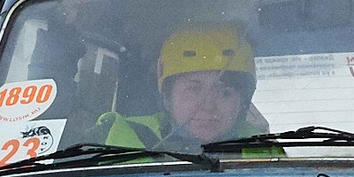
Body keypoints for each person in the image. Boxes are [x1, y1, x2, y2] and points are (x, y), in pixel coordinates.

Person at [100, 22, 277, 154]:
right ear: (167, 98)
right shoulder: (113, 139)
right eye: (193, 90)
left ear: (243, 102)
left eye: (225, 92)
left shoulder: (264, 150)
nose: (208, 106)